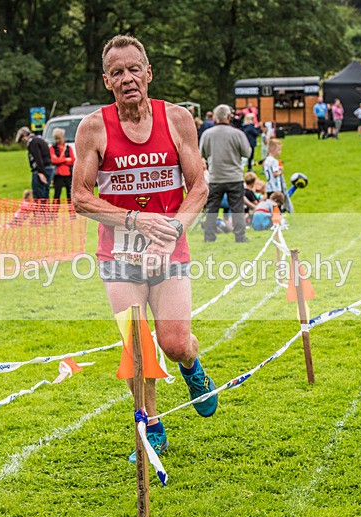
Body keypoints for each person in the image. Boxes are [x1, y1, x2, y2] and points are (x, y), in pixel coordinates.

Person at [71, 34, 213, 462]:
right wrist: (136, 220)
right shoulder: (93, 128)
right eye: (117, 72)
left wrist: (171, 229)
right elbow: (81, 197)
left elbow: (199, 187)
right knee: (137, 345)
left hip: (170, 250)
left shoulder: (178, 119)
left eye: (134, 69)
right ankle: (151, 428)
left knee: (174, 342)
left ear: (149, 73)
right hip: (119, 255)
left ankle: (191, 365)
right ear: (107, 81)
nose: (127, 78)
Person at [200, 104, 251, 243]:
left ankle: (209, 236)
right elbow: (247, 153)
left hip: (215, 177)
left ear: (215, 117)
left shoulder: (207, 134)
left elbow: (202, 153)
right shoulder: (237, 134)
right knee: (237, 208)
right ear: (229, 116)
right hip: (234, 177)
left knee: (212, 208)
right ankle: (240, 236)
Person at [16, 126, 54, 209]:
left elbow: (38, 158)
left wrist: (40, 173)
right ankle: (46, 214)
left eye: (22, 139)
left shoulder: (33, 143)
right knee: (45, 194)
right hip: (49, 168)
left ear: (24, 136)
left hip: (40, 170)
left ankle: (39, 214)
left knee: (38, 195)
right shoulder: (39, 140)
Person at [262, 139, 294, 213]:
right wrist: (280, 170)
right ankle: (278, 218)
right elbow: (275, 173)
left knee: (270, 205)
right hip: (276, 188)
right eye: (279, 149)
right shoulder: (274, 161)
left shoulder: (266, 160)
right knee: (277, 206)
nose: (280, 151)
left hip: (269, 187)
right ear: (273, 150)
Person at [49, 127, 76, 207]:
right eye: (56, 138)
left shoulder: (68, 148)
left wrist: (60, 160)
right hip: (58, 174)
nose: (57, 140)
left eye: (59, 138)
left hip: (68, 174)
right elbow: (53, 160)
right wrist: (65, 159)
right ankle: (55, 211)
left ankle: (71, 212)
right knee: (57, 194)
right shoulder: (52, 148)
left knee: (70, 195)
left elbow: (72, 161)